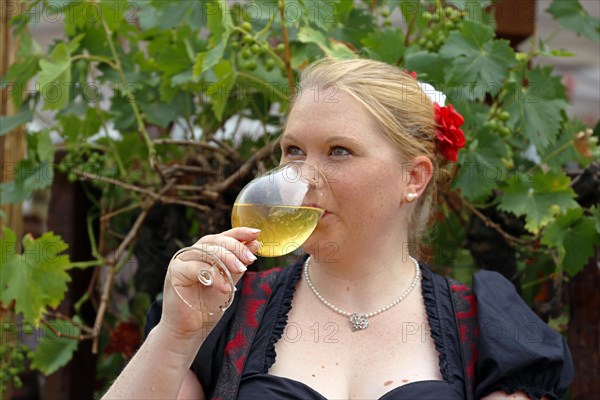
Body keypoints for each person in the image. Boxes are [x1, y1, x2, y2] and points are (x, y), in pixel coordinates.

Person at [102, 58, 573, 400]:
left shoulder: (485, 331)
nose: (304, 178)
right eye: (293, 151)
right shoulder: (226, 313)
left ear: (413, 177)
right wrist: (175, 336)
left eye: (339, 151)